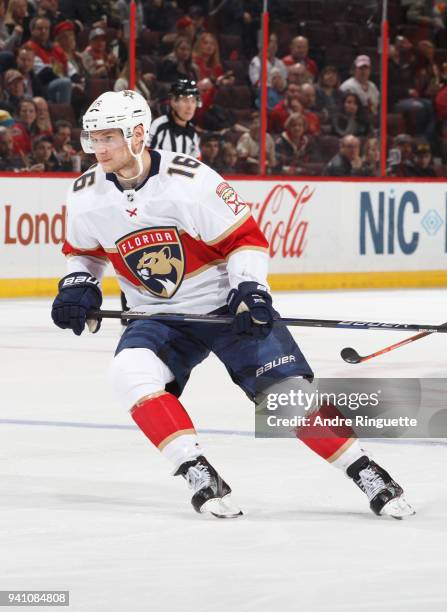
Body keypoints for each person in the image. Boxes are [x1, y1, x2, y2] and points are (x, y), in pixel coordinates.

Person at [50, 89, 413, 520]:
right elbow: (85, 253)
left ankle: (364, 470)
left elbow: (245, 240)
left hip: (224, 306)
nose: (98, 148)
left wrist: (251, 292)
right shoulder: (85, 192)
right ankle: (196, 470)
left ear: (138, 134)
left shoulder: (191, 181)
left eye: (109, 137)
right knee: (129, 372)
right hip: (157, 315)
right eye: (93, 138)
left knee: (286, 398)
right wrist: (79, 285)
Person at [148, 78, 200, 157]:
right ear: (173, 102)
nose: (190, 107)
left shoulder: (192, 131)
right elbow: (146, 155)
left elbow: (197, 160)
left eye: (193, 101)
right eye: (185, 101)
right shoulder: (159, 126)